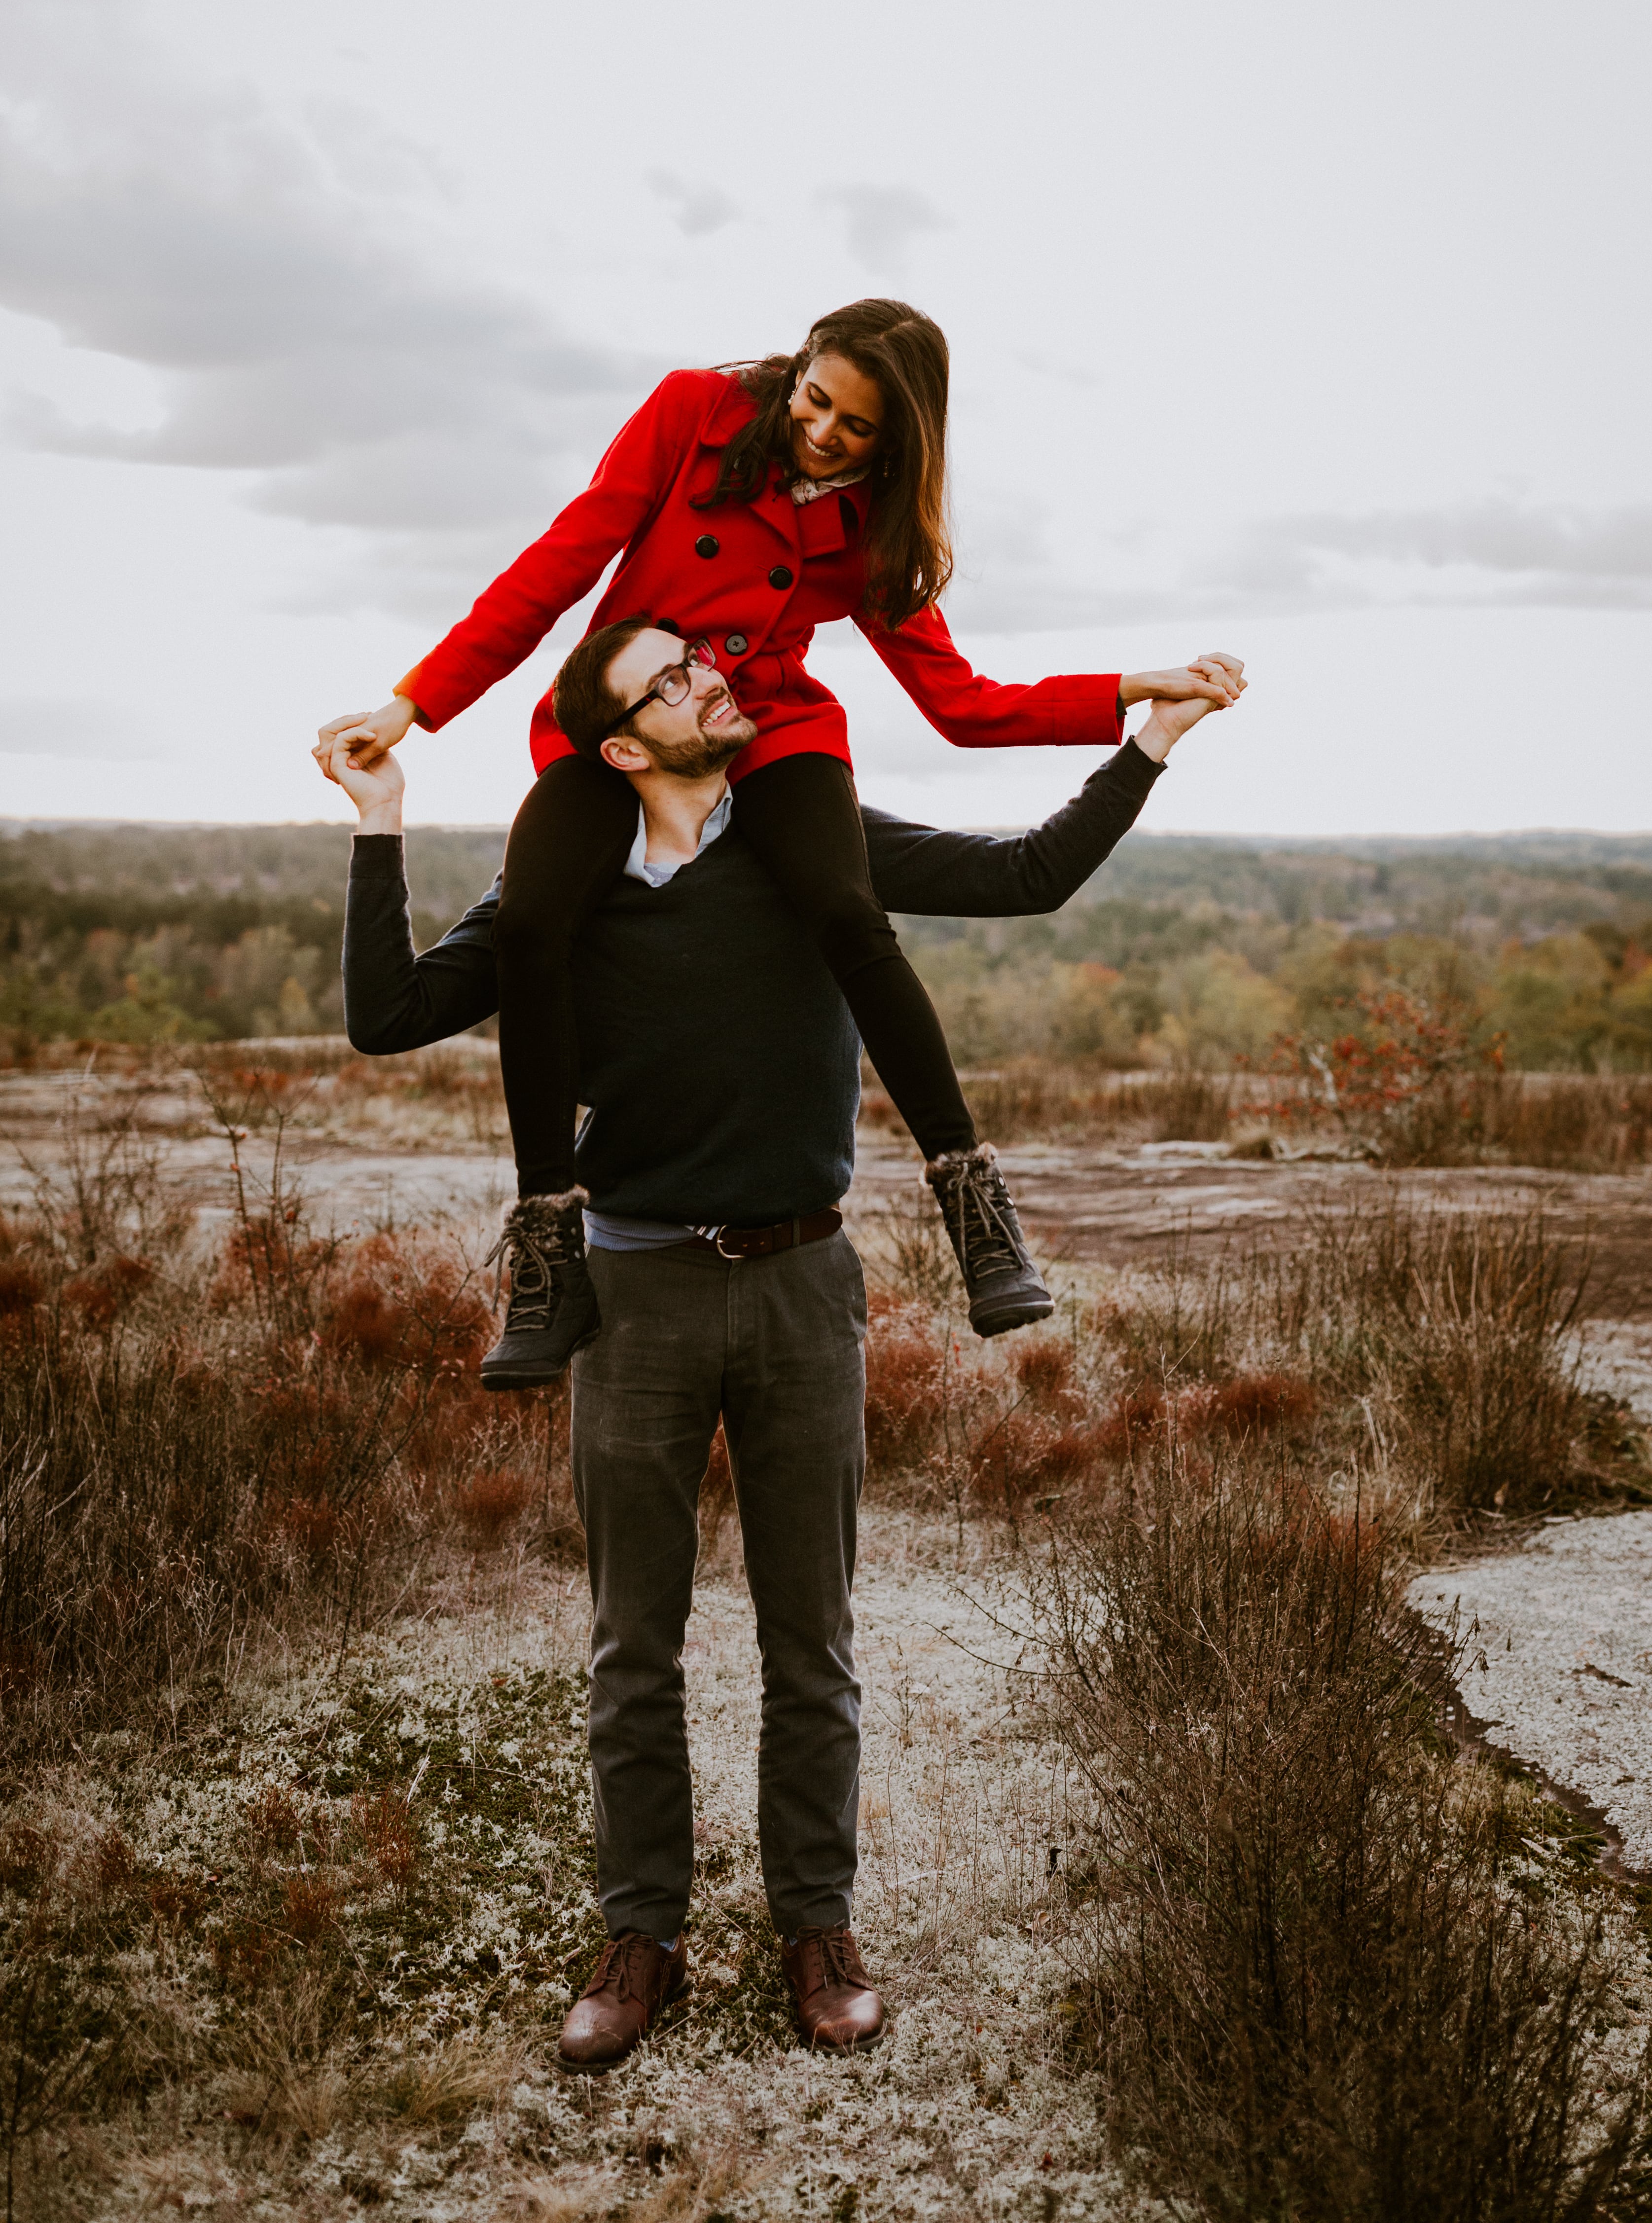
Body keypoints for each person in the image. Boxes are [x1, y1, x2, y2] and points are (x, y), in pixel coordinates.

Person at [320, 642, 1234, 2067]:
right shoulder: (558, 893)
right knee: (634, 1645)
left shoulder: (810, 839)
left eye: (697, 658)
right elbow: (384, 1018)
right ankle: (641, 1937)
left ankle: (817, 1928)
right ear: (618, 748)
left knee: (811, 1639)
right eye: (669, 680)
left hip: (805, 1284)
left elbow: (1023, 874)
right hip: (631, 1294)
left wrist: (1149, 743)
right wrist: (379, 822)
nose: (710, 678)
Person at [315, 299, 1244, 1383]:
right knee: (530, 921)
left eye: (855, 427)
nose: (822, 433)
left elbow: (964, 705)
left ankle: (972, 1203)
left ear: (898, 440)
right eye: (815, 399)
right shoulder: (691, 411)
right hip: (628, 717)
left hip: (766, 727)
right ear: (796, 369)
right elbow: (558, 565)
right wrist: (413, 704)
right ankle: (548, 1239)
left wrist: (1136, 691)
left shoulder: (879, 527)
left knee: (848, 909)